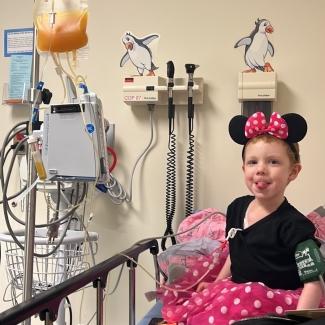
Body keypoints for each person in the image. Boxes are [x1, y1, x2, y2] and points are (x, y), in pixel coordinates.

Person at [158, 112, 325, 325]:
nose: (261, 170)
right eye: (253, 162)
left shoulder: (295, 226)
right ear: (243, 168)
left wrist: (299, 321)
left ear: (293, 172)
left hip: (276, 301)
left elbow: (313, 284)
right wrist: (217, 284)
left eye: (273, 162)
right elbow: (235, 252)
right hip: (234, 293)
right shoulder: (237, 208)